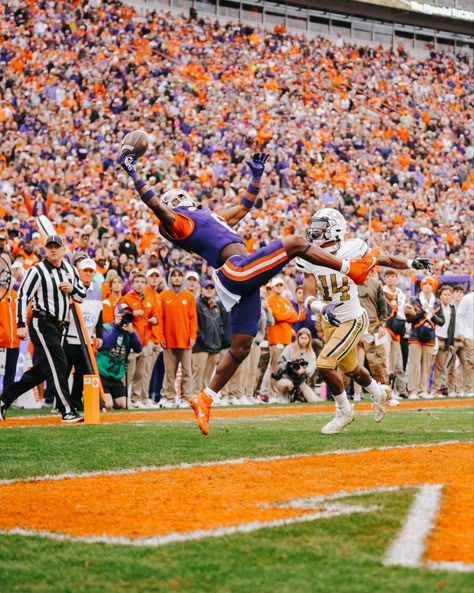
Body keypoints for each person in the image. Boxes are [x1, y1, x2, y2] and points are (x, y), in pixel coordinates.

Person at [119, 150, 378, 435]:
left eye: (179, 196)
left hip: (241, 278)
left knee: (241, 346)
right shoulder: (180, 223)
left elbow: (243, 208)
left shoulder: (207, 215)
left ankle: (205, 398)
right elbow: (157, 207)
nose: (179, 199)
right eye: (173, 199)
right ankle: (349, 269)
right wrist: (133, 172)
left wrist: (256, 177)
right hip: (236, 271)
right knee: (293, 242)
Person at [299, 208, 432, 434]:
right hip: (331, 318)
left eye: (321, 227)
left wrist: (412, 262)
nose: (314, 231)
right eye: (314, 226)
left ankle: (344, 410)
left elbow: (386, 259)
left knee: (324, 364)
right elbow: (307, 294)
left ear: (335, 229)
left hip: (352, 318)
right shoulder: (309, 256)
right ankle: (379, 392)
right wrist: (321, 307)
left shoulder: (354, 248)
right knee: (352, 369)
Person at [0, 235, 86, 423]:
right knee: (58, 364)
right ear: (45, 250)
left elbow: (81, 296)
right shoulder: (37, 270)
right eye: (50, 247)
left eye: (57, 247)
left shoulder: (70, 270)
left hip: (60, 326)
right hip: (42, 322)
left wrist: (72, 289)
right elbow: (22, 296)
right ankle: (66, 410)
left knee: (43, 369)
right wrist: (21, 324)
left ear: (64, 250)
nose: (53, 250)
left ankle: (4, 398)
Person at [159, 268, 197, 408]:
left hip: (185, 339)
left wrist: (193, 336)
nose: (176, 278)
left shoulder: (189, 296)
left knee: (187, 371)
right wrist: (161, 335)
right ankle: (168, 397)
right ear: (170, 278)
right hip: (168, 339)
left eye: (179, 276)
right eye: (173, 276)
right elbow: (160, 317)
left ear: (182, 279)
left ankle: (186, 398)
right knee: (169, 371)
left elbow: (193, 318)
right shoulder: (163, 295)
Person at [96, 303, 143, 410]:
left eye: (128, 315)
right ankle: (89, 397)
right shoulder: (106, 328)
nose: (125, 317)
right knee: (108, 405)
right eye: (122, 314)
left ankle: (111, 398)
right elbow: (105, 344)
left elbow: (138, 349)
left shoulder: (129, 333)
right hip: (102, 375)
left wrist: (132, 332)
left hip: (116, 378)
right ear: (116, 315)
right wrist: (117, 327)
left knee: (126, 405)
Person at [405, 277, 445, 399]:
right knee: (414, 365)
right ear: (421, 286)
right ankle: (412, 390)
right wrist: (422, 311)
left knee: (426, 366)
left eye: (430, 284)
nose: (427, 286)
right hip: (415, 335)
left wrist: (431, 314)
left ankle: (422, 390)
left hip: (430, 336)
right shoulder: (414, 300)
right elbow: (409, 318)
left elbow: (442, 321)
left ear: (433, 286)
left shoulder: (437, 302)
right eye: (425, 283)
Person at [192, 280, 224, 393]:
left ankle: (203, 399)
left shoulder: (215, 306)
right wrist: (202, 340)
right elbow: (195, 325)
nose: (209, 290)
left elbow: (220, 325)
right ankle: (195, 397)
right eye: (207, 288)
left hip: (214, 347)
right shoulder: (196, 304)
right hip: (201, 347)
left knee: (207, 378)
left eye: (211, 288)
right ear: (201, 290)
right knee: (198, 375)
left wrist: (219, 340)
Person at [273, 327, 319, 403]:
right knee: (287, 384)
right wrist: (290, 366)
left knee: (313, 400)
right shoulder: (289, 348)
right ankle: (283, 395)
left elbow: (312, 367)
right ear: (298, 338)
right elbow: (279, 364)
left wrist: (304, 370)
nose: (303, 340)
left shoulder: (311, 353)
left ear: (309, 339)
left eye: (305, 338)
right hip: (286, 377)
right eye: (301, 338)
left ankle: (300, 396)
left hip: (300, 381)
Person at [382, 269, 408, 399]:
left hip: (398, 328)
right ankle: (386, 391)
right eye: (388, 276)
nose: (391, 279)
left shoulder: (400, 293)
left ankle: (398, 390)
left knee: (396, 361)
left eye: (393, 276)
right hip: (385, 327)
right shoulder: (381, 291)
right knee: (386, 359)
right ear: (384, 278)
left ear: (396, 278)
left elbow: (405, 310)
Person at [432, 285, 456, 397]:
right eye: (445, 294)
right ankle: (423, 388)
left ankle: (436, 388)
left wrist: (451, 343)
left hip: (445, 339)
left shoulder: (452, 309)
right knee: (428, 364)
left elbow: (452, 326)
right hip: (435, 337)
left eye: (449, 295)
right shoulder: (436, 306)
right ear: (440, 296)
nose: (447, 297)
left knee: (440, 367)